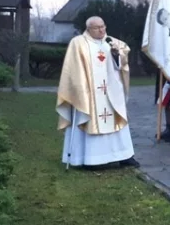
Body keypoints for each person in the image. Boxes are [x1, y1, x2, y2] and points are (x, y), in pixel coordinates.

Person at [56, 16, 138, 168]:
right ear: (88, 29)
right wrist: (78, 89)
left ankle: (125, 155)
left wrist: (116, 54)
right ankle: (91, 159)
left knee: (118, 122)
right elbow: (72, 69)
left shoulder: (112, 42)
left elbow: (122, 63)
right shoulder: (78, 43)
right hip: (89, 93)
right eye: (97, 28)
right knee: (89, 121)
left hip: (111, 91)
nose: (101, 30)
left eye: (103, 26)